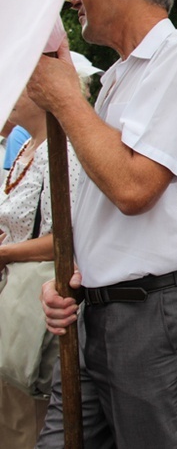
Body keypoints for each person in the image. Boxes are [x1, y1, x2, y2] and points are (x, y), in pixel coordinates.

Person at [27, 0, 177, 446]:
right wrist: (75, 276)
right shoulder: (118, 79)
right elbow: (102, 207)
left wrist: (63, 98)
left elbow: (133, 188)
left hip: (154, 315)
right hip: (99, 311)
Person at [0, 89, 81, 448]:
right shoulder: (24, 148)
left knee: (28, 417)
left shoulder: (63, 149)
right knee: (10, 413)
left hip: (34, 297)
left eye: (22, 86)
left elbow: (66, 238)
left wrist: (4, 253)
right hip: (11, 292)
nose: (11, 95)